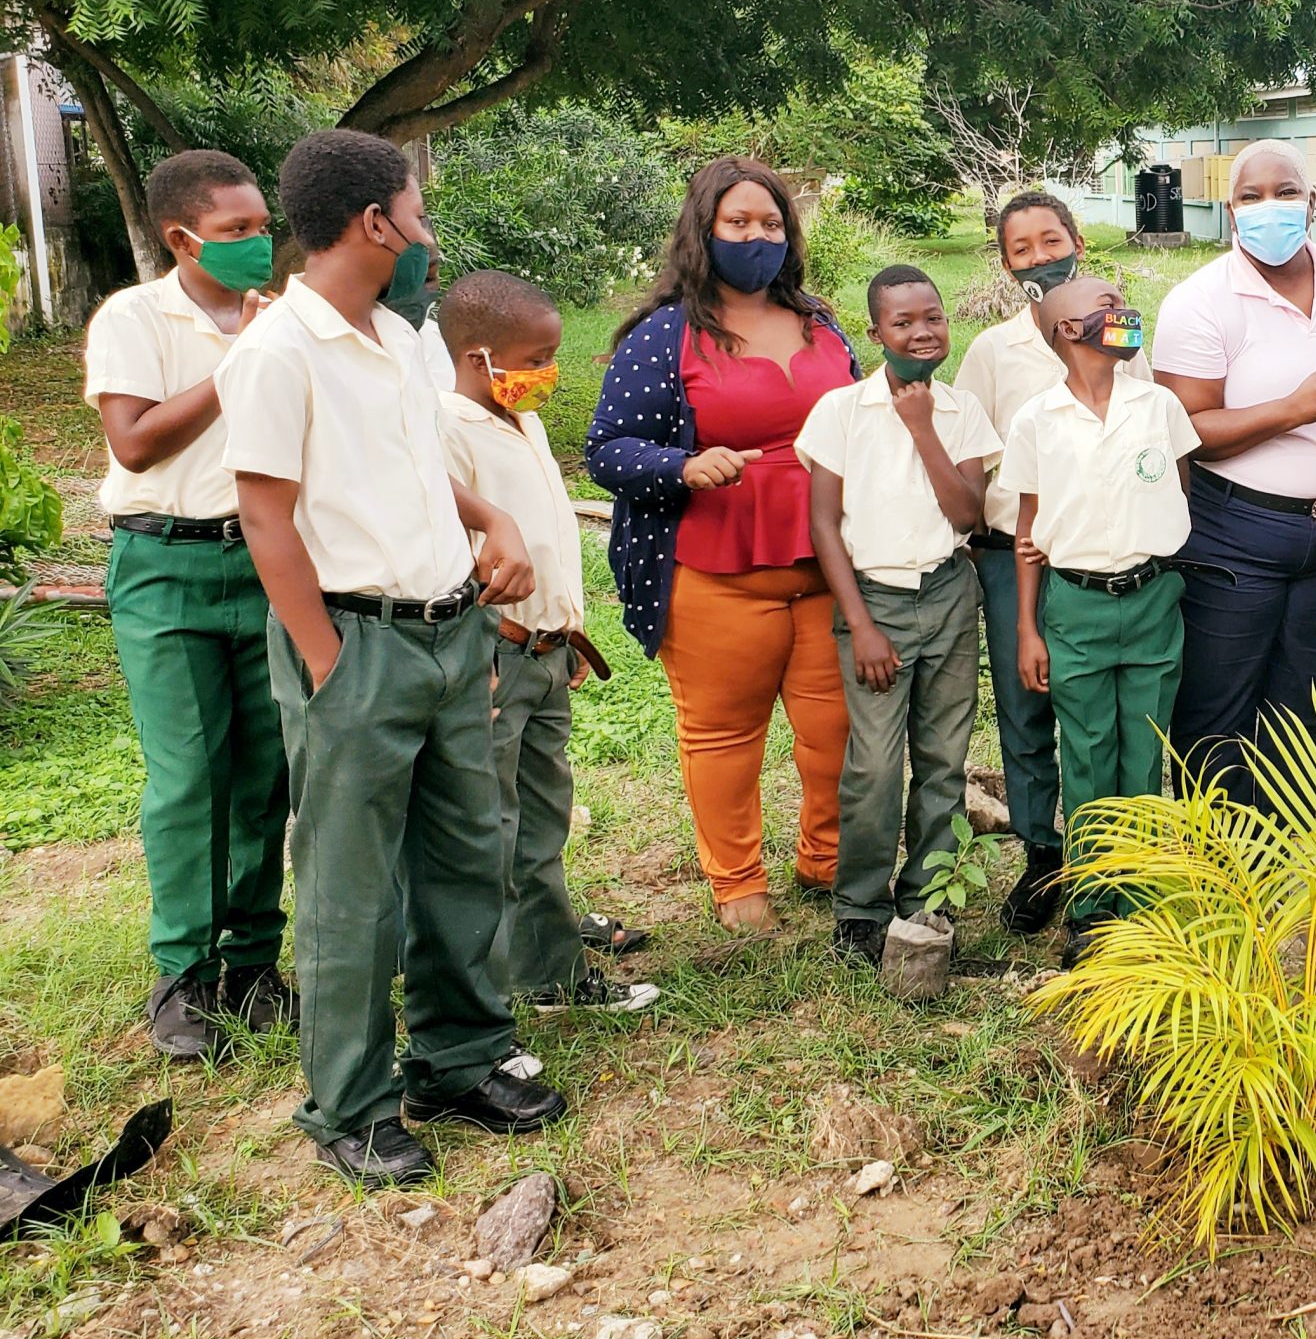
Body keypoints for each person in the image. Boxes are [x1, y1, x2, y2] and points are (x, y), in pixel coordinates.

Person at [219, 129, 566, 1187]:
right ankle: (350, 1103)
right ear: (374, 223)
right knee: (351, 889)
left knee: (465, 855)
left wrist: (492, 520)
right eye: (418, 213)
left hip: (449, 631)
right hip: (355, 641)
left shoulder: (403, 338)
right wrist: (326, 664)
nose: (427, 233)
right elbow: (265, 517)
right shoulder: (278, 352)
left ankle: (457, 1059)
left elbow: (419, 463)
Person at [588, 157, 861, 934]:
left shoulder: (821, 322)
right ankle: (738, 884)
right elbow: (608, 448)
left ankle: (828, 857)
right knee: (723, 738)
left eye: (770, 224)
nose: (756, 237)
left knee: (836, 732)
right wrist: (680, 464)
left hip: (827, 571)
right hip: (715, 575)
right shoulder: (665, 336)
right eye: (738, 223)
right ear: (704, 231)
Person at [83, 149, 291, 1060]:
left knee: (265, 773)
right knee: (188, 776)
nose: (258, 243)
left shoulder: (278, 320)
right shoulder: (136, 315)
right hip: (165, 566)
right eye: (237, 231)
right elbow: (133, 445)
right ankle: (183, 975)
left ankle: (252, 964)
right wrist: (241, 357)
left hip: (264, 561)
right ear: (183, 237)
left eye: (262, 227)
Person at [1152, 138, 1316, 797]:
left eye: (1285, 191)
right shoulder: (1202, 300)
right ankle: (1218, 858)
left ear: (1310, 200)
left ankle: (1289, 851)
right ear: (1231, 208)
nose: (1270, 206)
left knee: (1306, 707)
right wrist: (1293, 407)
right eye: (1252, 196)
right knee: (1219, 704)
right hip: (1233, 530)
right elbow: (1186, 430)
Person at [433, 270, 659, 1018]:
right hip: (492, 655)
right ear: (478, 358)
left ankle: (552, 974)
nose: (549, 374)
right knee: (485, 830)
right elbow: (440, 555)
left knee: (540, 820)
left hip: (545, 652)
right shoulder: (443, 431)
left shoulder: (517, 421)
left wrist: (564, 632)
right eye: (538, 356)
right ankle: (478, 998)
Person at [953, 191, 1154, 936]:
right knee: (1027, 704)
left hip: (1109, 555)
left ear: (1077, 240)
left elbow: (1151, 440)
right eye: (1022, 248)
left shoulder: (1123, 334)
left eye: (1051, 239)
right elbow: (973, 459)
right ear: (1005, 263)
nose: (1041, 257)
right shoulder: (993, 352)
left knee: (1110, 718)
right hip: (1018, 555)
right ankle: (1045, 855)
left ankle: (1122, 862)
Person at [801, 266, 1001, 967]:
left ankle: (927, 899)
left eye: (933, 317)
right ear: (875, 331)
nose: (921, 332)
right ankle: (859, 908)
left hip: (948, 593)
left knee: (944, 759)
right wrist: (860, 624)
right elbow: (824, 526)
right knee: (875, 767)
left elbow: (967, 515)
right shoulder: (840, 412)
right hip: (875, 600)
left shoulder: (960, 411)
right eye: (903, 322)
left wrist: (922, 429)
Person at [1001, 277, 1201, 967]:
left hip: (1151, 598)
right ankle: (1092, 909)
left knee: (1143, 757)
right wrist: (1028, 627)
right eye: (1105, 306)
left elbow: (1178, 488)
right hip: (1075, 604)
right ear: (1066, 330)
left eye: (1121, 303)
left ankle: (1140, 907)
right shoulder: (1037, 421)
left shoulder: (1160, 406)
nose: (1121, 313)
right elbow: (1028, 529)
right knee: (1087, 759)